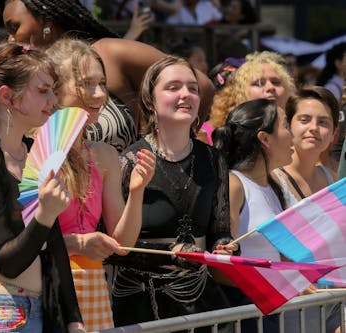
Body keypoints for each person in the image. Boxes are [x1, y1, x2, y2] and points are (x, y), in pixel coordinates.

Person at [0, 32, 85, 333]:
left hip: (41, 307)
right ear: (7, 97)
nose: (53, 101)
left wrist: (73, 317)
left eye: (53, 91)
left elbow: (54, 244)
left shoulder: (33, 153)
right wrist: (45, 214)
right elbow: (7, 260)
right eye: (43, 91)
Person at [108, 55, 235, 332]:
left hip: (201, 301)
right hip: (141, 304)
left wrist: (225, 246)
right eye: (173, 87)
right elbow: (113, 250)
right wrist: (170, 253)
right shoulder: (130, 160)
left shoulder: (214, 159)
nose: (185, 95)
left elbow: (220, 230)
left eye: (192, 88)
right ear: (150, 101)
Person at [2, 0, 216, 151]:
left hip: (134, 201)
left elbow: (202, 85)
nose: (10, 38)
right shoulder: (33, 80)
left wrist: (174, 150)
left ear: (45, 20)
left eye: (14, 27)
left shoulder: (110, 53)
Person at [46, 38, 155, 331]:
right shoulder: (36, 149)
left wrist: (136, 191)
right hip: (45, 284)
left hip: (93, 284)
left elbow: (123, 244)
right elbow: (21, 238)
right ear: (55, 88)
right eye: (86, 84)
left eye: (102, 83)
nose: (98, 94)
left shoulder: (105, 154)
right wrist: (78, 243)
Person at [213, 98, 293, 331]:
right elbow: (219, 266)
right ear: (265, 139)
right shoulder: (234, 184)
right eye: (285, 126)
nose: (291, 135)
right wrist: (272, 283)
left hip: (268, 315)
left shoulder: (273, 186)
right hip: (243, 316)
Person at [273, 87, 341, 333]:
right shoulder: (273, 180)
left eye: (323, 122)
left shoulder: (332, 178)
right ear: (288, 127)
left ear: (333, 135)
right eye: (304, 120)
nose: (314, 128)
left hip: (335, 299)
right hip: (295, 303)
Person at [207, 51, 295, 145]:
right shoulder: (212, 135)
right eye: (258, 83)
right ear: (238, 93)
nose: (270, 88)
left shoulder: (298, 131)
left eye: (276, 82)